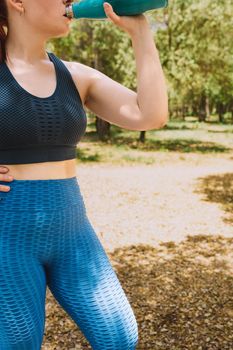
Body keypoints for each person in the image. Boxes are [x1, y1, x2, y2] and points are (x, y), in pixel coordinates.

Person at [0, 0, 168, 349]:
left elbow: (150, 115)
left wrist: (140, 33)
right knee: (17, 343)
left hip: (72, 231)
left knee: (119, 338)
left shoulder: (76, 76)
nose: (69, 1)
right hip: (7, 237)